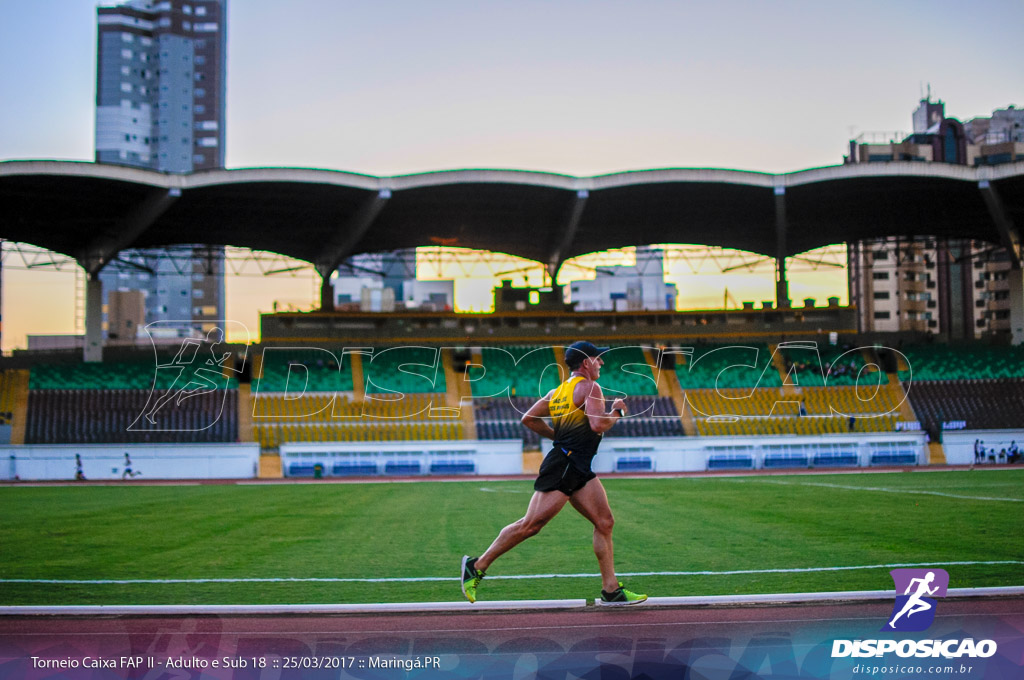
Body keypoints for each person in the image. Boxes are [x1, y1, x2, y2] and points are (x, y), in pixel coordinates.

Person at [461, 341, 647, 606]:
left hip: (578, 465)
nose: (601, 363)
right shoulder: (590, 387)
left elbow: (528, 418)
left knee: (605, 523)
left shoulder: (557, 392)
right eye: (598, 359)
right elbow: (597, 425)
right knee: (530, 525)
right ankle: (476, 566)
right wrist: (616, 411)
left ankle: (611, 590)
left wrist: (557, 437)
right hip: (564, 465)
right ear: (586, 363)